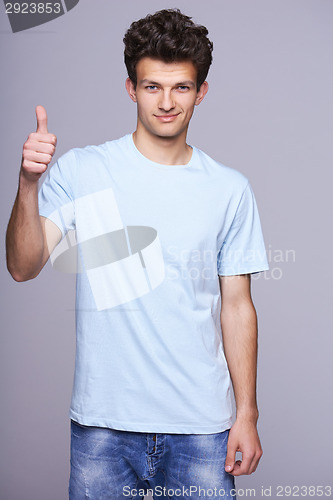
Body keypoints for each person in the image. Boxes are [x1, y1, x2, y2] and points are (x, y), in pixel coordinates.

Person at [6, 8, 269, 500]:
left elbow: (237, 306)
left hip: (201, 427)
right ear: (131, 88)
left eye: (181, 88)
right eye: (152, 87)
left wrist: (247, 414)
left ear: (201, 92)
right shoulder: (83, 171)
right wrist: (27, 185)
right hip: (101, 427)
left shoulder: (229, 189)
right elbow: (22, 267)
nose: (166, 102)